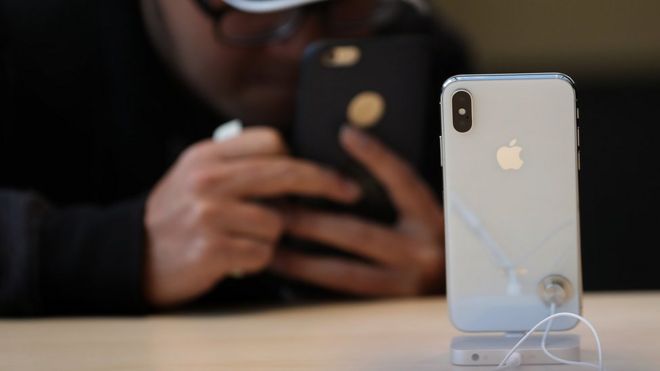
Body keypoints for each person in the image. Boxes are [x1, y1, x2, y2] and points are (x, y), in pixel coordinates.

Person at [0, 0, 467, 315]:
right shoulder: (26, 37)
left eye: (340, 4)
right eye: (255, 14)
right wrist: (118, 249)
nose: (299, 44)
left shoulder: (415, 58)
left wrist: (464, 271)